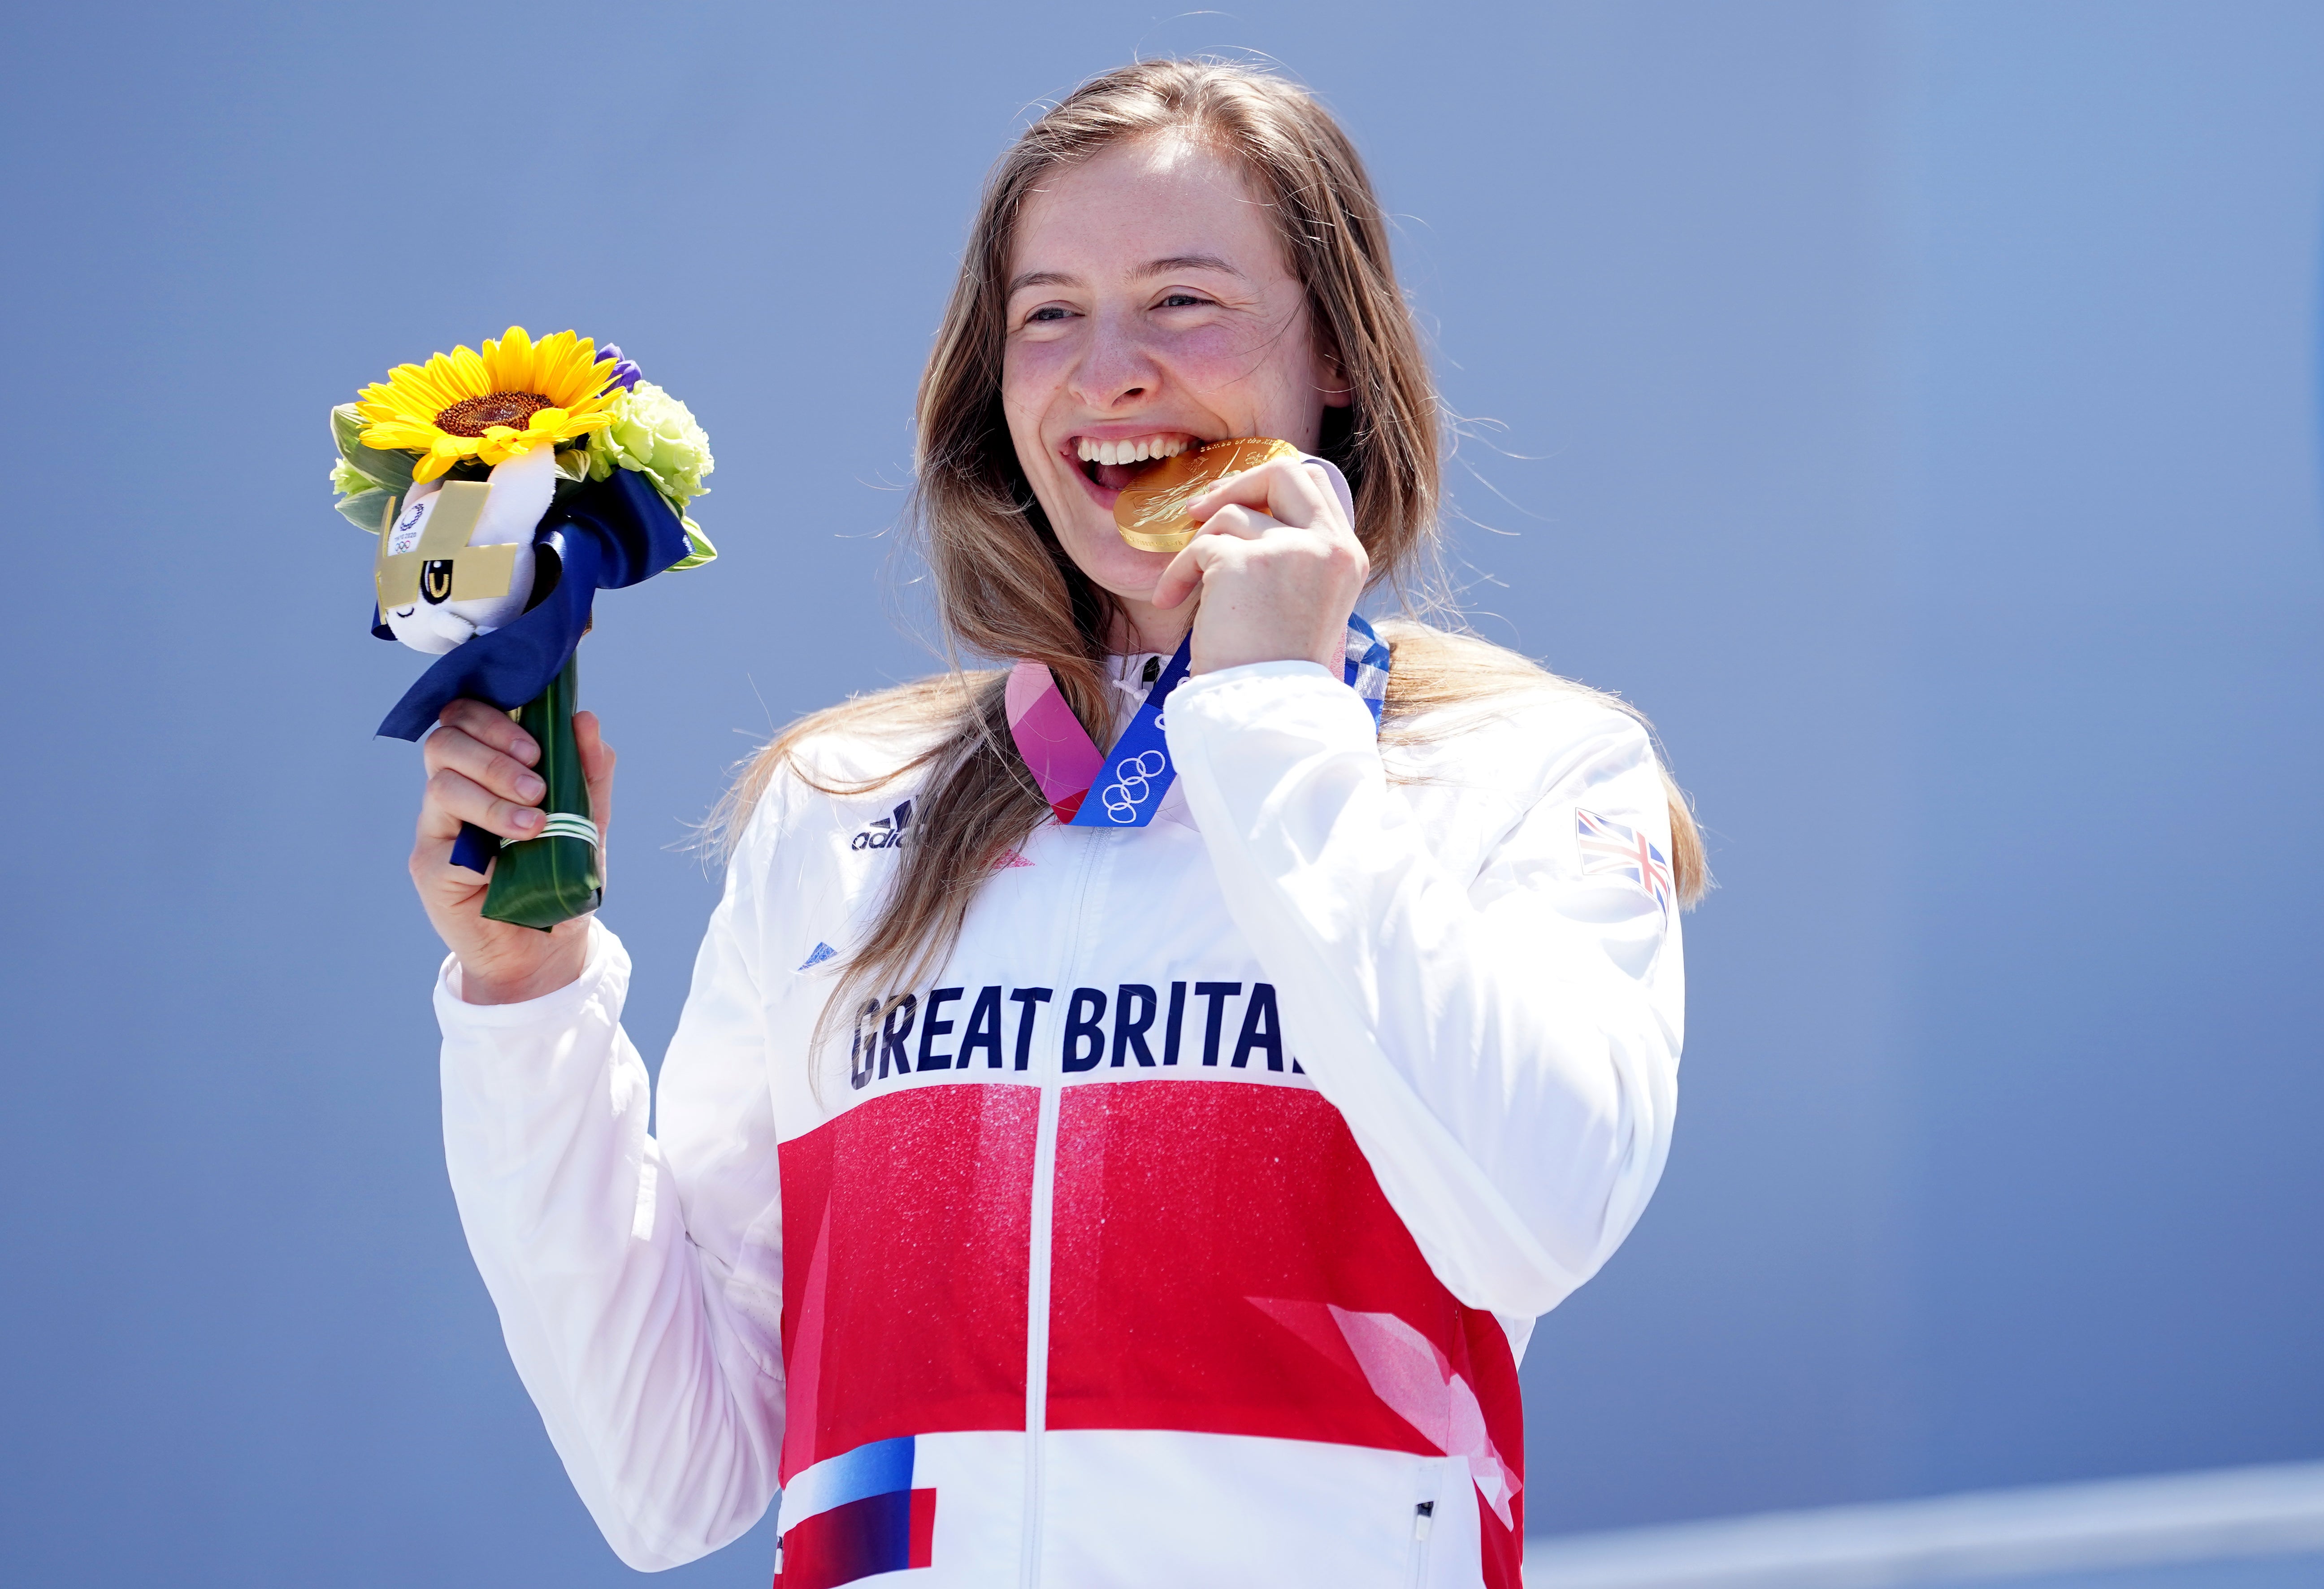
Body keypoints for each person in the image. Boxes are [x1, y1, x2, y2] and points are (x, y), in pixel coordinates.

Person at [414, 60, 1702, 1589]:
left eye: (1183, 301)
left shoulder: (1527, 769)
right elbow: (672, 1473)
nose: (1109, 374)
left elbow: (1533, 1221)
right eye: (1049, 315)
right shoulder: (845, 807)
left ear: (1339, 358)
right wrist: (525, 1003)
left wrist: (1274, 711)